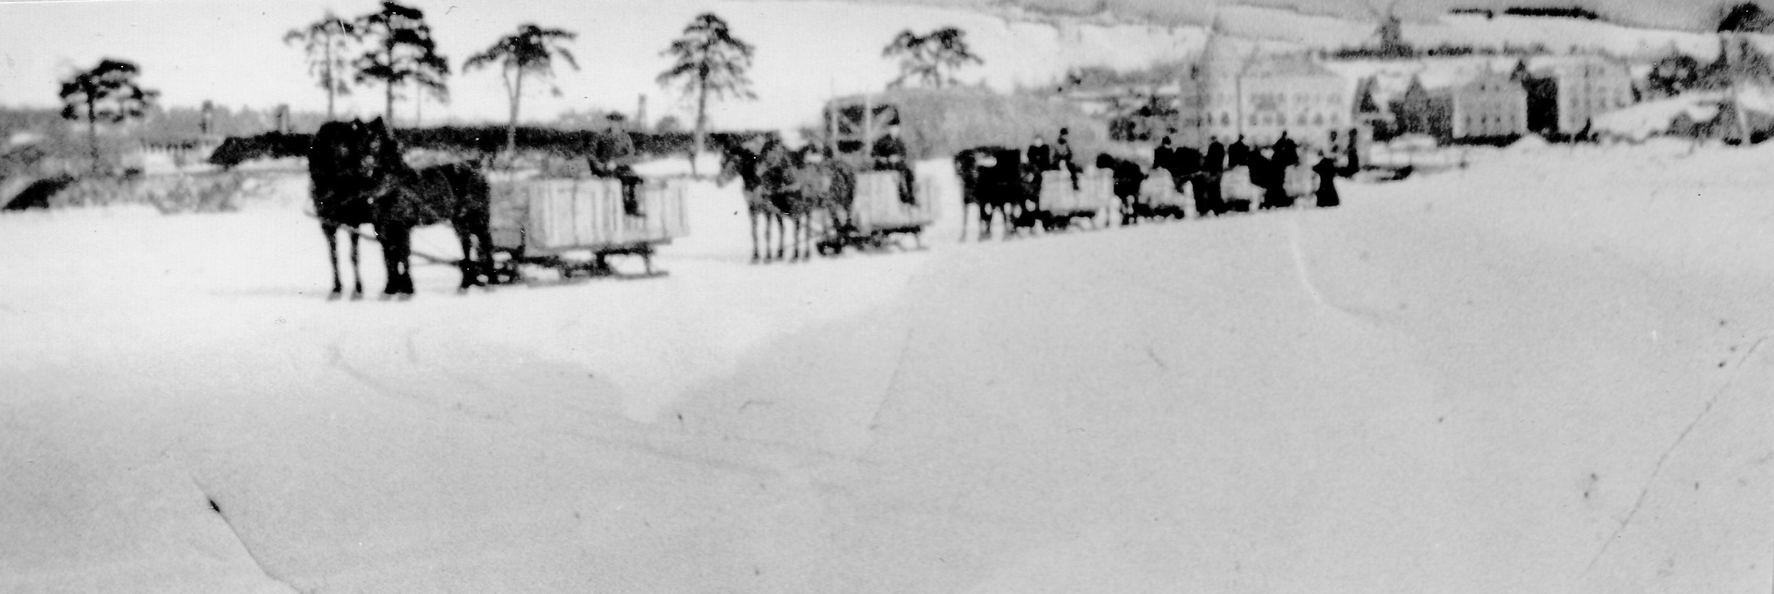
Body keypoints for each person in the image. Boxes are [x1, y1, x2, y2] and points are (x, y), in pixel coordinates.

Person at [872, 123, 915, 205]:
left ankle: (910, 195)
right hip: (886, 165)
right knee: (897, 175)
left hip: (898, 164)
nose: (895, 130)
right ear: (889, 129)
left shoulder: (899, 141)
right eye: (893, 128)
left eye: (896, 128)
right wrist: (887, 159)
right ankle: (902, 197)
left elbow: (903, 154)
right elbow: (875, 155)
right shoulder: (882, 141)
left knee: (909, 173)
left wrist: (898, 158)